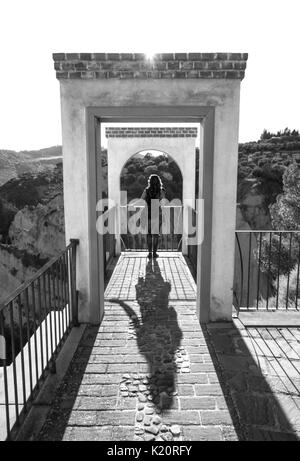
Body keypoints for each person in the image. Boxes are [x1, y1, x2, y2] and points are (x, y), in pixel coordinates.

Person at [141, 174, 166, 258]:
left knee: (149, 234)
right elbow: (163, 201)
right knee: (156, 234)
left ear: (150, 181)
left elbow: (141, 200)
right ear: (159, 181)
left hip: (147, 212)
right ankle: (154, 253)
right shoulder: (161, 190)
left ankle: (149, 253)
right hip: (157, 212)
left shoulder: (146, 190)